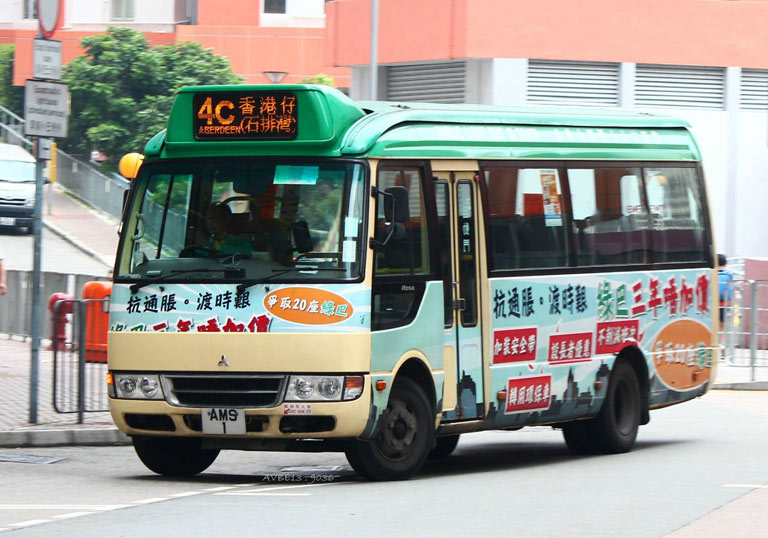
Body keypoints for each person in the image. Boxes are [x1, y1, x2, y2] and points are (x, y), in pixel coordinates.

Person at [718, 253, 733, 327]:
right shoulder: (728, 275)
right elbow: (730, 290)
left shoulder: (712, 273)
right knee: (722, 322)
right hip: (724, 302)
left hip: (713, 302)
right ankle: (721, 337)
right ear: (725, 264)